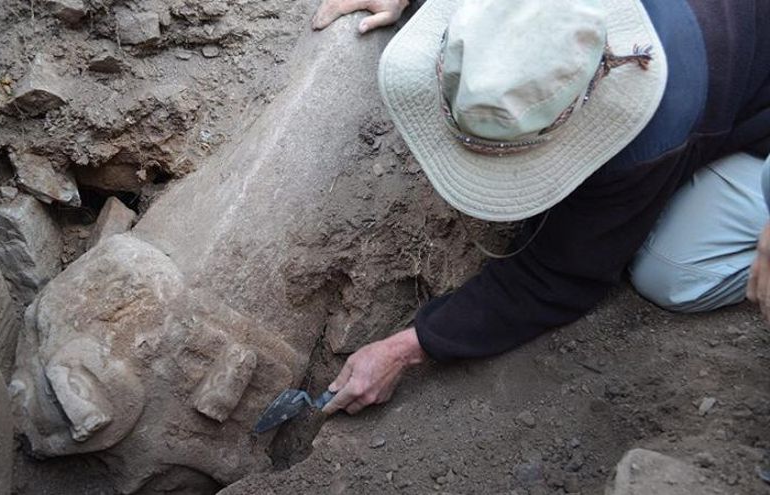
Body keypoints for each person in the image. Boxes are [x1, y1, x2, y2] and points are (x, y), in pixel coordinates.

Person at [314, 0, 770, 416]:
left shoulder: (648, 140)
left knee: (671, 273)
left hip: (745, 92)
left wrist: (405, 348)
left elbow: (559, 275)